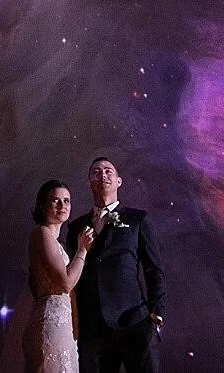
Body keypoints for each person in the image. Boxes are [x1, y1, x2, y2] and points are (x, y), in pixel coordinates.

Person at [60, 156, 165, 373]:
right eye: (96, 172)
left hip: (135, 322)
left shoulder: (138, 219)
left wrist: (155, 315)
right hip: (93, 331)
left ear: (118, 181)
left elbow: (153, 270)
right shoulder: (76, 227)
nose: (103, 175)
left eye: (108, 171)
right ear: (89, 183)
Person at [17, 179, 94, 373]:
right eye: (55, 200)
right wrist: (82, 250)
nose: (62, 205)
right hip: (52, 323)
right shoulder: (42, 233)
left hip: (64, 323)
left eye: (66, 201)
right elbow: (65, 283)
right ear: (43, 205)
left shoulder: (58, 243)